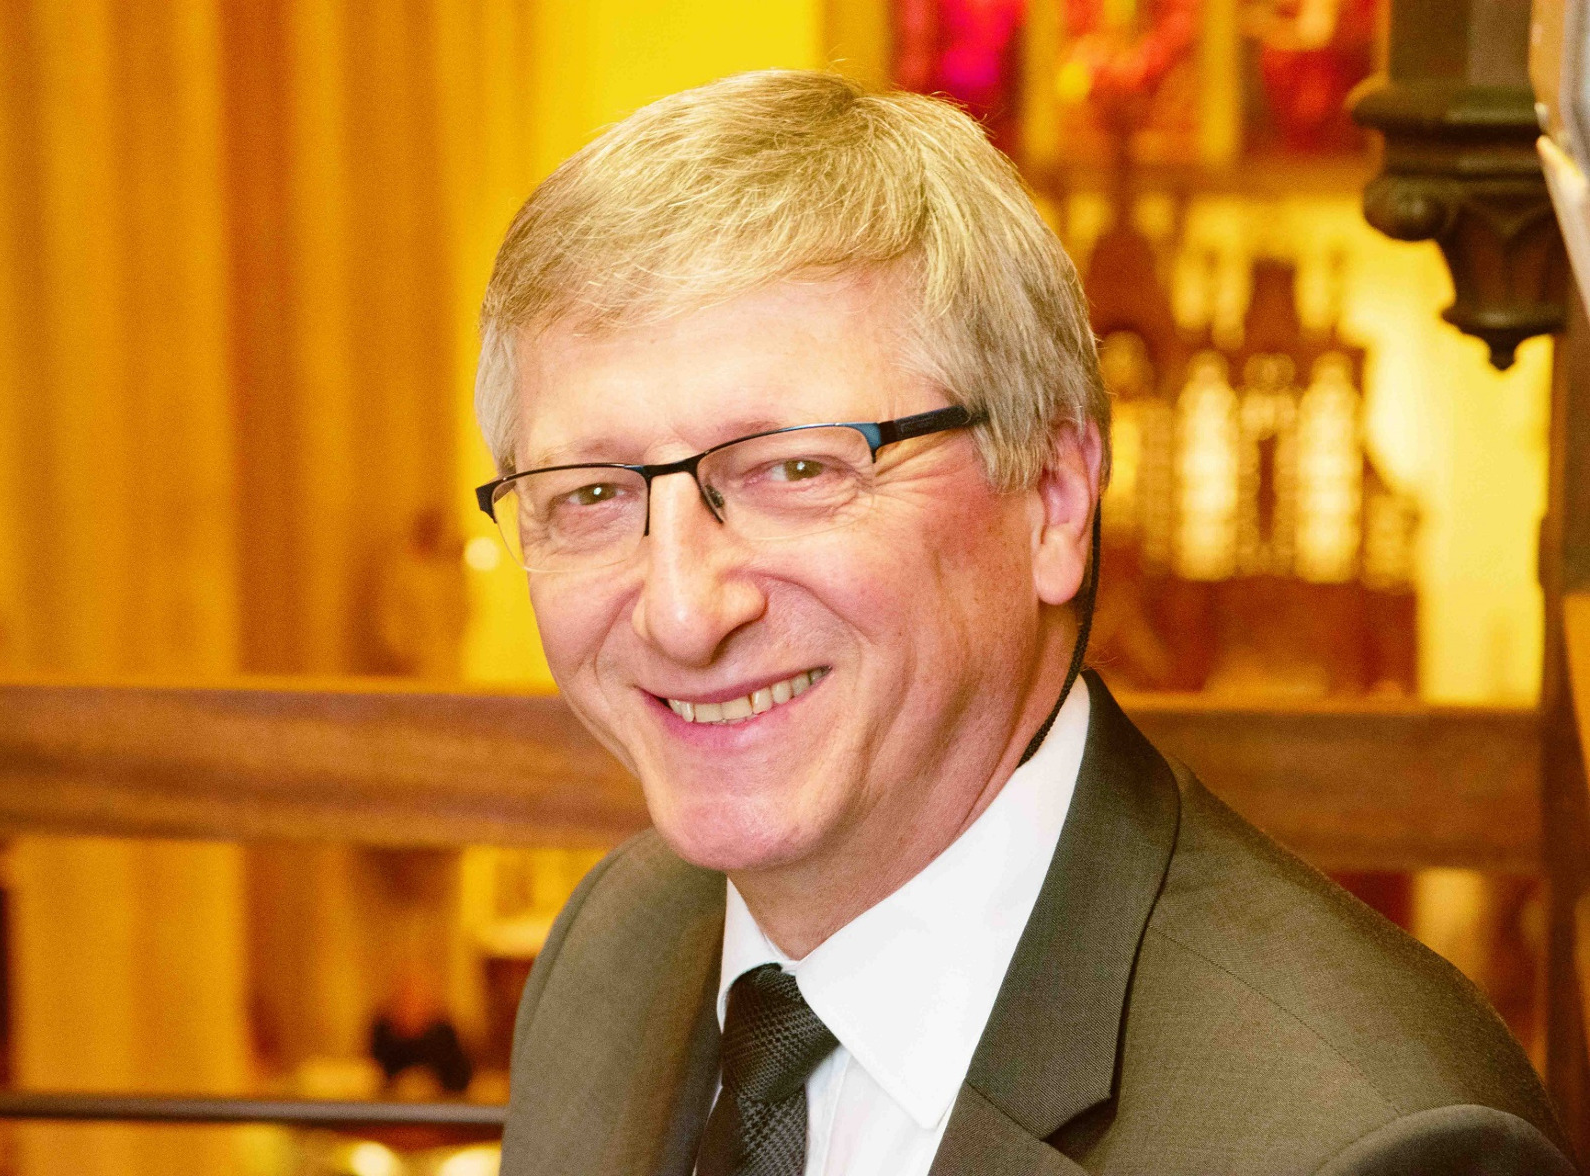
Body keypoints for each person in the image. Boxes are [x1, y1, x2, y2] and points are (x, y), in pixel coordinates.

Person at [470, 69, 1574, 1175]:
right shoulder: (613, 952)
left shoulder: (1365, 1141)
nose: (679, 610)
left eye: (795, 469)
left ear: (1053, 494)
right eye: (594, 494)